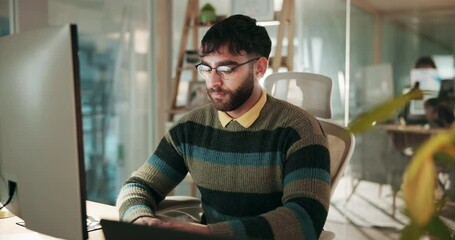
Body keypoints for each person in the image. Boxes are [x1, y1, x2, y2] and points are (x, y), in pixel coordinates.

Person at [116, 14, 330, 240]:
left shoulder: (300, 130)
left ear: (259, 68)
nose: (213, 82)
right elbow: (138, 186)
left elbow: (306, 218)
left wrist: (209, 233)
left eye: (226, 69)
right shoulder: (190, 128)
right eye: (206, 68)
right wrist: (139, 221)